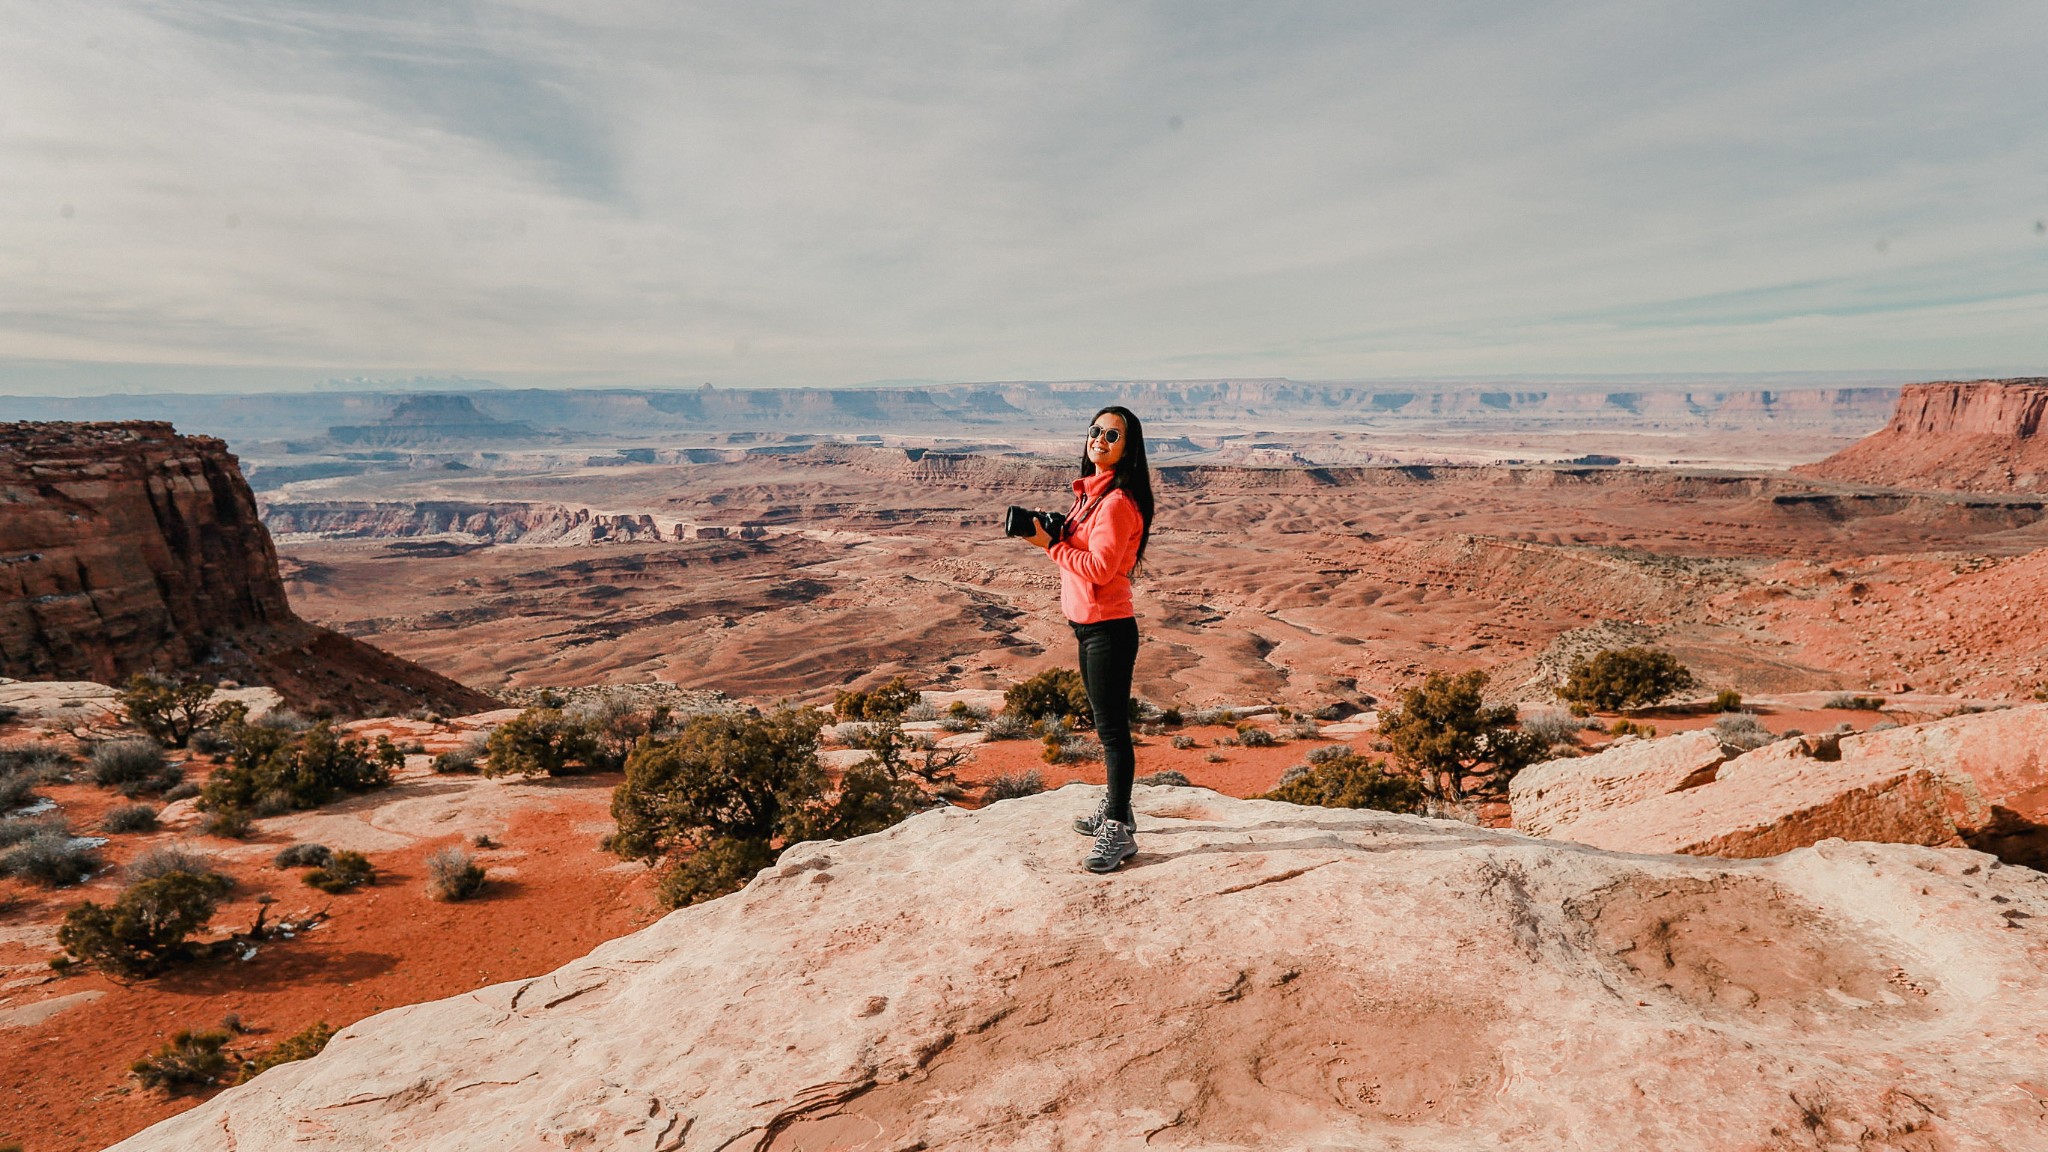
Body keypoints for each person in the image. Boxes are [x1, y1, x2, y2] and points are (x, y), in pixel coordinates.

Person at [1018, 405, 1154, 873]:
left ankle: (1119, 829)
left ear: (1127, 447)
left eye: (1112, 435)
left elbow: (1100, 568)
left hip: (1109, 630)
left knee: (1113, 731)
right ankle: (1120, 808)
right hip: (1089, 627)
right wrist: (1060, 532)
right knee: (1104, 723)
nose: (1099, 439)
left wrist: (1051, 546)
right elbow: (1087, 553)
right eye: (1095, 431)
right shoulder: (1090, 494)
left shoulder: (1116, 502)